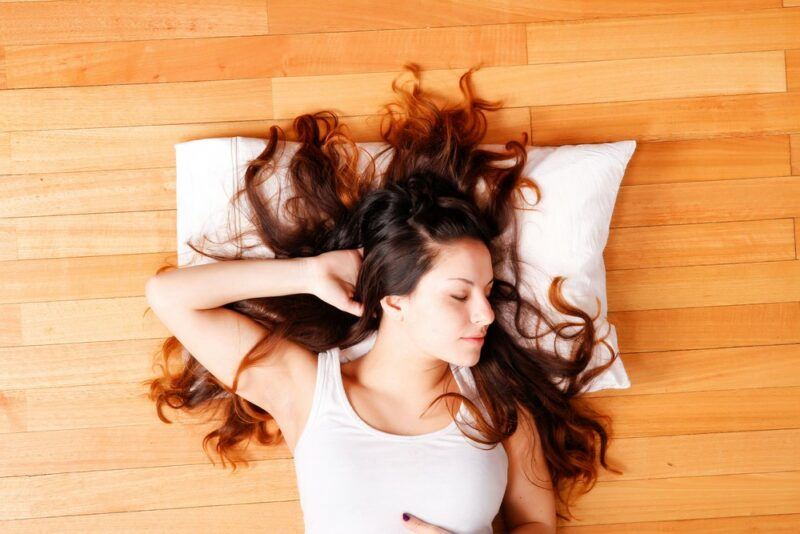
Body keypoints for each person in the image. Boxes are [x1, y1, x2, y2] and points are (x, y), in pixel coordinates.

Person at [143, 63, 623, 533]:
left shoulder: (500, 405)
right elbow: (169, 296)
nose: (486, 314)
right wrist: (309, 274)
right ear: (395, 301)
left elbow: (535, 521)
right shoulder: (308, 390)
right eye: (459, 295)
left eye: (487, 292)